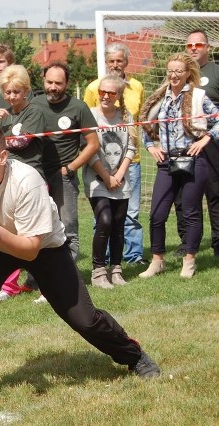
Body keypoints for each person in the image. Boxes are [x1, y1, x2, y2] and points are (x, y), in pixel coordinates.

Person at [0, 123, 160, 411]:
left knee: (84, 318)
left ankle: (133, 355)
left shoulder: (26, 180)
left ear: (1, 158)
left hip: (43, 247)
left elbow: (31, 249)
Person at [138, 53, 219, 279]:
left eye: (179, 71)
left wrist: (205, 139)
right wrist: (149, 146)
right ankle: (157, 261)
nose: (174, 75)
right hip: (166, 162)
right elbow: (144, 123)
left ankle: (189, 260)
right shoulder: (159, 98)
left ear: (187, 73)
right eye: (170, 71)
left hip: (195, 160)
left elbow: (218, 119)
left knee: (191, 212)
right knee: (157, 214)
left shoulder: (198, 96)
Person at [83, 43, 146, 265]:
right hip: (100, 164)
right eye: (112, 60)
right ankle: (104, 258)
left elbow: (136, 124)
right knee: (102, 218)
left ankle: (133, 256)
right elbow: (88, 126)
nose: (115, 64)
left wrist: (121, 171)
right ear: (106, 62)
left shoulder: (137, 86)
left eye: (119, 60)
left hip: (130, 163)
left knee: (131, 214)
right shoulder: (93, 88)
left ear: (126, 62)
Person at [32, 61, 100, 263]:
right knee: (37, 228)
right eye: (49, 82)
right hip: (36, 177)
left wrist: (70, 168)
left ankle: (69, 278)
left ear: (67, 83)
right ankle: (36, 279)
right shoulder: (33, 105)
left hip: (64, 178)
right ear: (43, 80)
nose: (53, 87)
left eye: (58, 83)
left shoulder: (78, 107)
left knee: (68, 228)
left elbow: (93, 144)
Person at [0, 64, 47, 301]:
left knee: (36, 234)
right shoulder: (3, 116)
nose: (11, 96)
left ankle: (49, 285)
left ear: (25, 91)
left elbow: (21, 143)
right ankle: (9, 285)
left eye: (16, 91)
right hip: (7, 179)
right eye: (7, 92)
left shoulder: (34, 112)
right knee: (9, 233)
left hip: (31, 179)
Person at [83, 75, 138, 288]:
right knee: (104, 220)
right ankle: (98, 272)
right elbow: (89, 150)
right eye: (102, 92)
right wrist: (106, 177)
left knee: (118, 224)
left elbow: (131, 147)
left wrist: (120, 173)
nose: (105, 96)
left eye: (111, 93)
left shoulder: (126, 116)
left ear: (118, 95)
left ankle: (116, 269)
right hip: (98, 180)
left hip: (120, 179)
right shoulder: (90, 116)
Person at [173, 30, 219, 258]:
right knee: (184, 197)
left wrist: (209, 136)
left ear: (207, 48)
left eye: (198, 45)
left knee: (215, 193)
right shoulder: (180, 73)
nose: (193, 48)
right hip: (183, 145)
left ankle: (218, 244)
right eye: (189, 45)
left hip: (211, 143)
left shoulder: (216, 71)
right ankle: (187, 244)